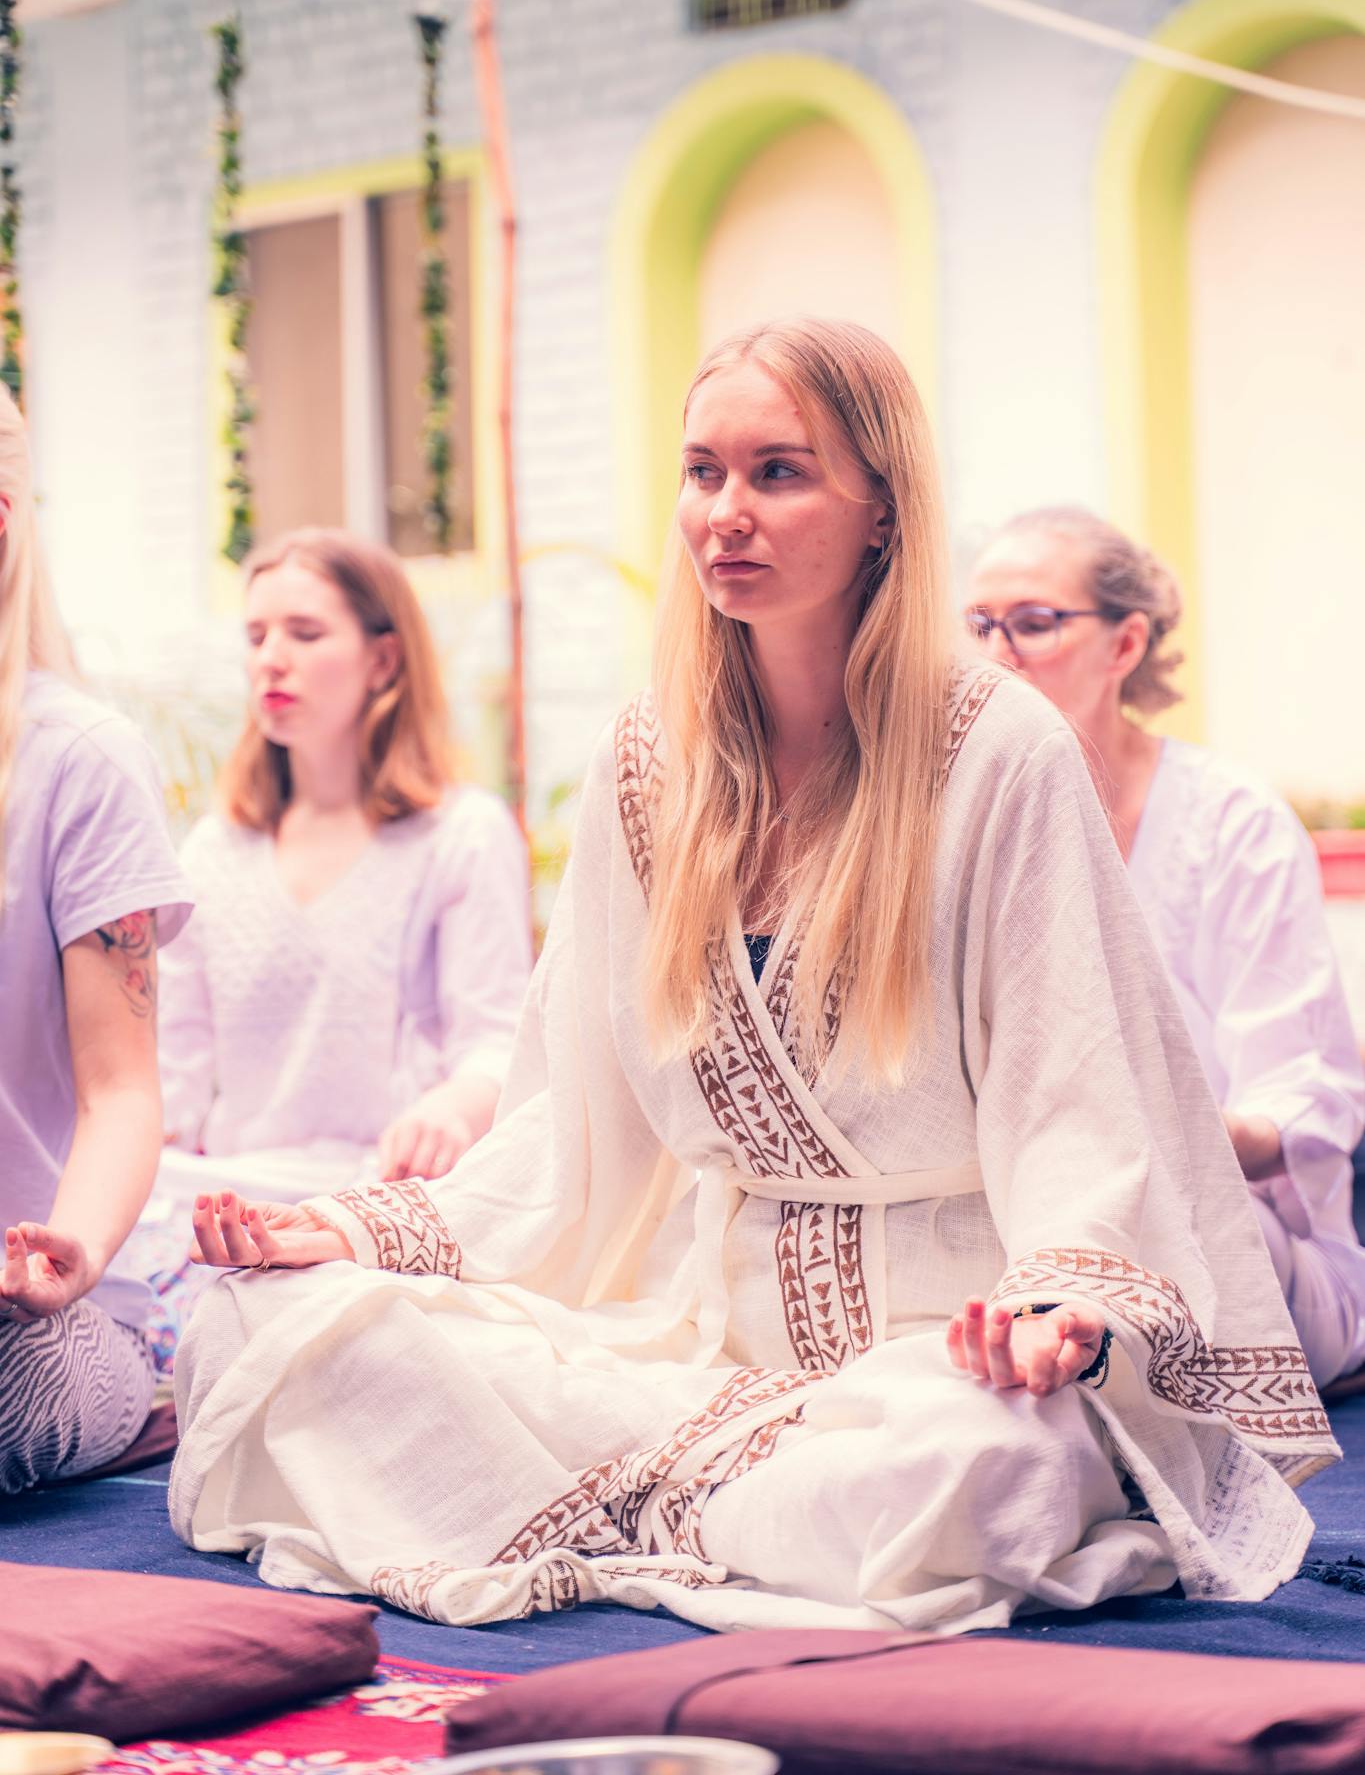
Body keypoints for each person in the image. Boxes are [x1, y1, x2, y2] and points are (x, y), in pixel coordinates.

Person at [171, 323, 1335, 1636]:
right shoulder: (641, 763)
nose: (724, 514)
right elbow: (573, 1125)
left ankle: (655, 1510)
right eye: (702, 472)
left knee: (988, 1469)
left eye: (777, 472)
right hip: (687, 1348)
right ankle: (709, 1511)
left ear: (881, 506)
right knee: (265, 1319)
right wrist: (355, 1231)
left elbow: (1078, 1097)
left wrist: (1055, 1308)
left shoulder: (1000, 753)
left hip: (938, 1360)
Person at [966, 507, 1365, 1388]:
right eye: (977, 627)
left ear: (1124, 644)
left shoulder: (1233, 824)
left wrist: (1134, 1136)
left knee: (1132, 1220)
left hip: (1248, 1243)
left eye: (1032, 624)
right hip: (1036, 1226)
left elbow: (1307, 1104)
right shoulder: (964, 831)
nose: (996, 657)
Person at [126, 529, 531, 1362]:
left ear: (384, 661)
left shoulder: (459, 835)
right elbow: (171, 1075)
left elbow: (499, 1040)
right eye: (256, 636)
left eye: (305, 634)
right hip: (234, 1196)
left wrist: (452, 1109)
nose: (271, 659)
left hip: (378, 1198)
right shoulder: (212, 851)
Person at [0, 387, 191, 1493]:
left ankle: (138, 1389)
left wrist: (64, 1254)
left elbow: (121, 1091)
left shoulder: (81, 760)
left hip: (34, 1329)